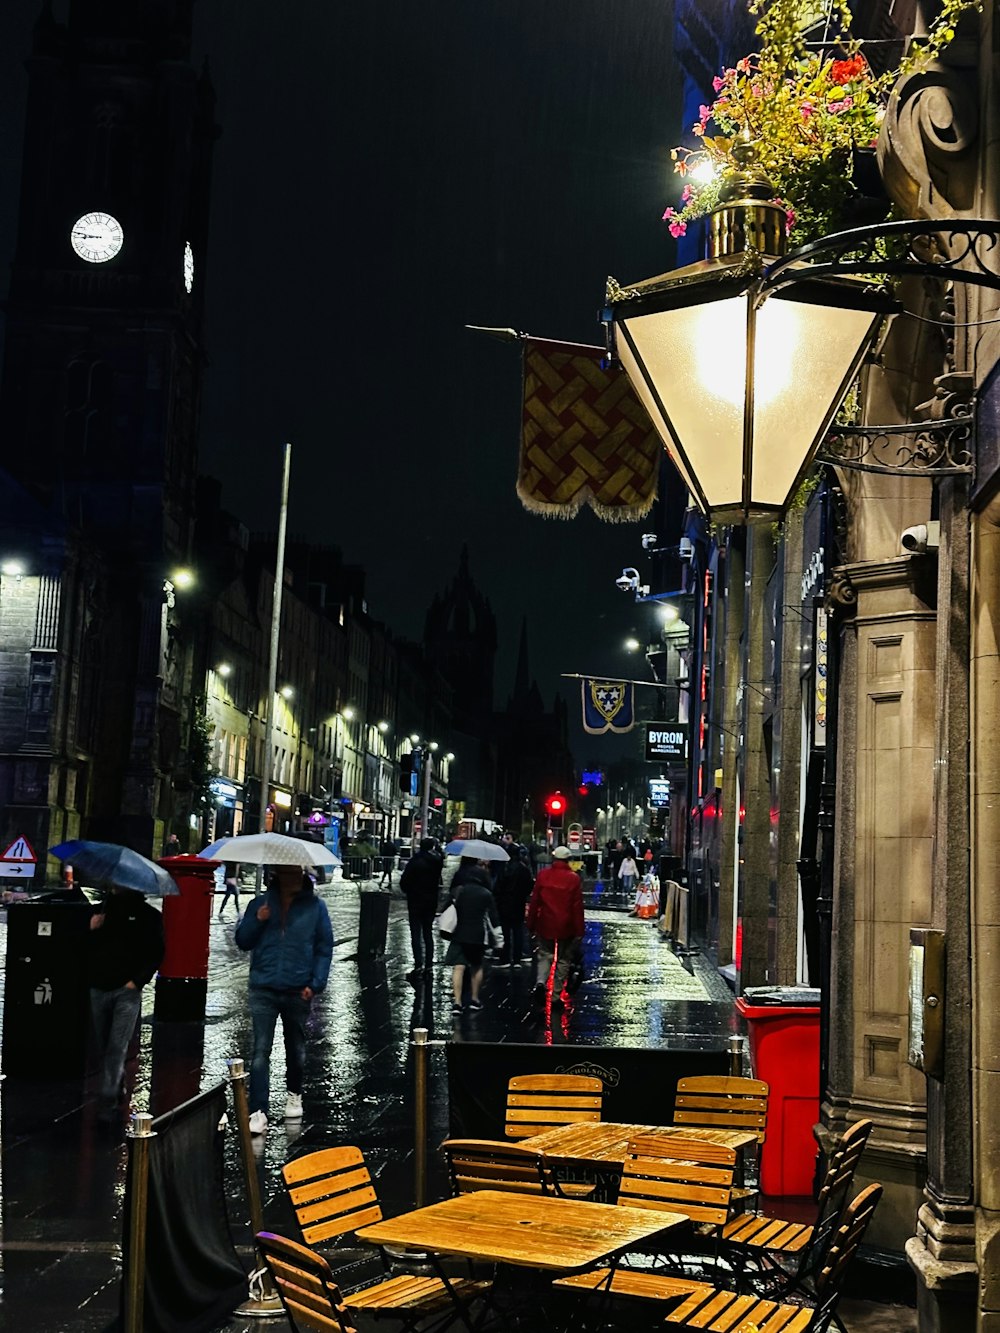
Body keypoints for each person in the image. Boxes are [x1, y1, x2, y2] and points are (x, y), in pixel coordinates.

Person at [235, 865, 333, 1135]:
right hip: (263, 988)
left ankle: (294, 1093)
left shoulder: (315, 908)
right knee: (260, 1052)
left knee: (296, 1049)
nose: (289, 878)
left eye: (293, 873)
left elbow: (324, 948)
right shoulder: (260, 904)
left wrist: (315, 984)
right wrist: (257, 919)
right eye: (284, 873)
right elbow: (243, 941)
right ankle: (258, 1110)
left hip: (297, 989)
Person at [88, 886, 165, 1118]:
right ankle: (117, 1083)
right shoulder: (101, 911)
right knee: (103, 1044)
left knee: (117, 1046)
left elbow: (156, 952)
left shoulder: (149, 916)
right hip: (99, 986)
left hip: (127, 991)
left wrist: (137, 982)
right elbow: (83, 948)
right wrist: (92, 929)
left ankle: (108, 1099)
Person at [526, 846, 585, 1009]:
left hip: (545, 923)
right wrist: (580, 930)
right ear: (567, 860)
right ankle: (556, 996)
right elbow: (577, 907)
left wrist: (531, 923)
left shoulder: (543, 876)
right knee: (563, 960)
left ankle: (540, 983)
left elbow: (535, 902)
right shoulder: (573, 879)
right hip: (566, 926)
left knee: (545, 954)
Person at [444, 859, 501, 1015]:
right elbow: (493, 918)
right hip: (478, 936)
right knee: (476, 967)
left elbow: (446, 908)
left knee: (459, 967)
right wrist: (499, 941)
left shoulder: (460, 891)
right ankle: (475, 999)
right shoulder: (486, 894)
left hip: (459, 934)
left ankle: (457, 1002)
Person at [399, 837, 443, 982]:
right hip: (430, 901)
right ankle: (429, 965)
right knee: (428, 933)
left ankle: (418, 964)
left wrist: (410, 890)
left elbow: (404, 882)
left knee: (416, 934)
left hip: (415, 901)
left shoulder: (415, 861)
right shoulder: (437, 862)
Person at [492, 844, 533, 968]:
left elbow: (497, 886)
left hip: (504, 903)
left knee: (505, 932)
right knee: (518, 931)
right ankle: (517, 959)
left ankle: (504, 958)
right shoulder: (523, 868)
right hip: (518, 903)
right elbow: (529, 885)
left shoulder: (504, 868)